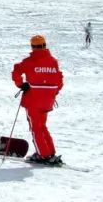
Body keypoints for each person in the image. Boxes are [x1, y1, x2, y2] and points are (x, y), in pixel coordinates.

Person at [11, 35, 64, 165]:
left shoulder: (29, 61)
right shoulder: (53, 61)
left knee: (36, 128)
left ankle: (42, 155)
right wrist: (53, 93)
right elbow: (59, 81)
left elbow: (16, 70)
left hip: (33, 100)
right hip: (48, 100)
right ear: (45, 45)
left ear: (32, 47)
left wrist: (20, 84)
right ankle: (50, 152)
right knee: (42, 126)